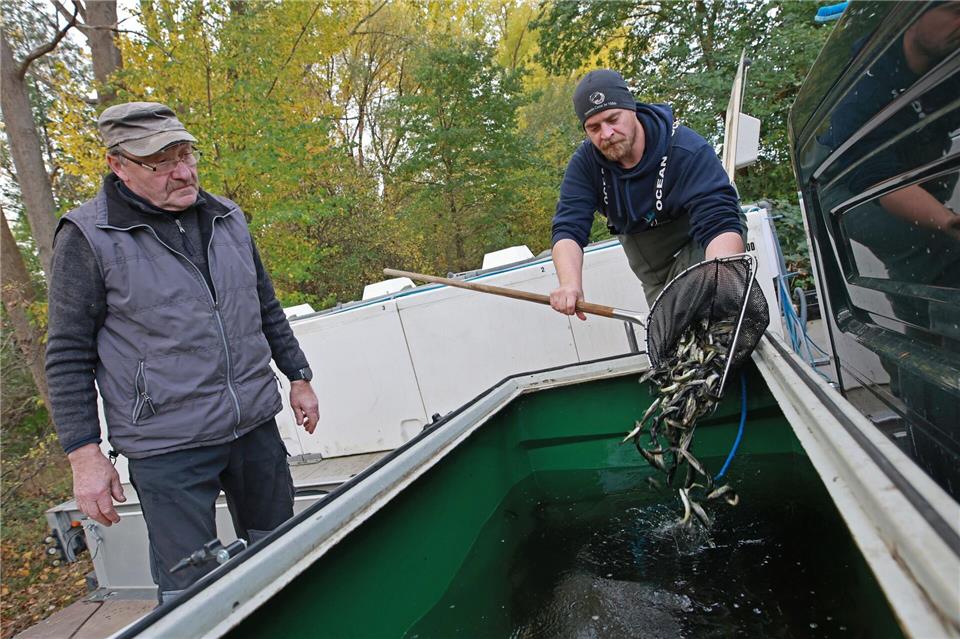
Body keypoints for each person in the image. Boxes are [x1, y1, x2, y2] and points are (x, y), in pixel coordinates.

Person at [45, 102, 320, 602]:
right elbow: (66, 353)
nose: (184, 171)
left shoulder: (228, 217)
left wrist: (297, 374)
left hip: (253, 425)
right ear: (118, 165)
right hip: (167, 445)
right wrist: (84, 453)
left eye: (186, 153)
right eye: (162, 162)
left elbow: (264, 305)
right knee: (190, 590)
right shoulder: (86, 237)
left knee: (283, 556)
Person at [549, 69, 745, 317]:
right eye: (594, 127)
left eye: (613, 119)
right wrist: (569, 284)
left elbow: (719, 221)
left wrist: (720, 278)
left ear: (631, 109)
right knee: (675, 333)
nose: (606, 134)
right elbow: (568, 227)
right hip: (654, 274)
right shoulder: (585, 165)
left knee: (711, 310)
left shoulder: (686, 149)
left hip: (704, 242)